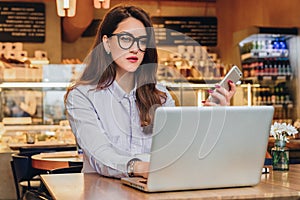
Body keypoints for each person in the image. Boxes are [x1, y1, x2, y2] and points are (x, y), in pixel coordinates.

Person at [64, 4, 236, 179]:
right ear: (106, 43)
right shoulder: (82, 96)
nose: (135, 48)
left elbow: (177, 148)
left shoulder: (160, 95)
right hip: (102, 192)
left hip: (153, 189)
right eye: (125, 39)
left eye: (142, 41)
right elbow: (99, 154)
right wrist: (141, 168)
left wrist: (212, 119)